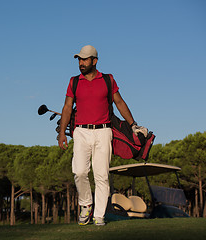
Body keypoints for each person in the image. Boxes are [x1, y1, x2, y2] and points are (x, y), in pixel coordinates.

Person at [58, 45, 147, 226]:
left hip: (104, 131)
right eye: (79, 60)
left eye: (85, 59)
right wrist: (62, 133)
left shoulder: (108, 79)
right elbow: (67, 108)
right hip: (81, 131)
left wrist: (133, 125)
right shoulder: (74, 81)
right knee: (79, 171)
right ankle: (85, 205)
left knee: (101, 175)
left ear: (94, 61)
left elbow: (120, 102)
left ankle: (99, 215)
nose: (81, 63)